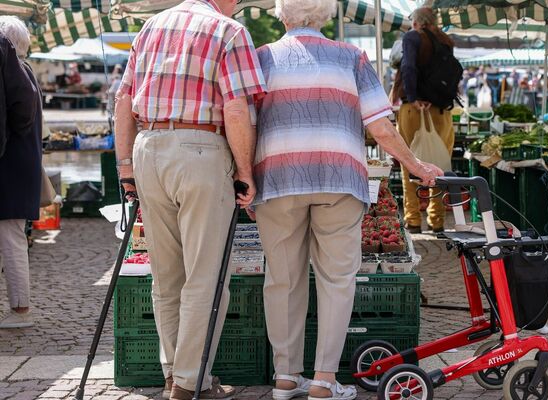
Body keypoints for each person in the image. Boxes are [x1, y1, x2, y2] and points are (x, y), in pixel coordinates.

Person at [251, 0, 443, 398]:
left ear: (282, 15)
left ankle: (285, 377)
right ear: (324, 15)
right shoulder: (351, 57)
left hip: (278, 179)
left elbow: (244, 123)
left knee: (282, 279)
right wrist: (417, 164)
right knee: (337, 280)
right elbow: (381, 126)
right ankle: (323, 380)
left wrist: (243, 175)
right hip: (339, 179)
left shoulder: (261, 58)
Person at [112, 0, 267, 397]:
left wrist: (126, 167)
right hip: (201, 147)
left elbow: (124, 103)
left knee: (166, 277)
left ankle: (174, 374)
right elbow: (235, 108)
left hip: (149, 147)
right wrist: (246, 172)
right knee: (206, 277)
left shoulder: (152, 26)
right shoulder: (228, 30)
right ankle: (186, 381)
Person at [390, 6, 456, 233]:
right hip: (441, 112)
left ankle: (413, 220)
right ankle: (436, 221)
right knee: (438, 165)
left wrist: (415, 96)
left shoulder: (412, 37)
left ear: (416, 22)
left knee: (409, 163)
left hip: (412, 109)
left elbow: (407, 67)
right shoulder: (446, 40)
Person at [0, 16, 42, 329]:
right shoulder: (24, 71)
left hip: (11, 167)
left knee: (11, 236)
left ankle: (20, 309)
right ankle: (19, 307)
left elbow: (21, 118)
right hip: (18, 166)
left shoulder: (18, 73)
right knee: (12, 235)